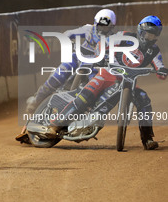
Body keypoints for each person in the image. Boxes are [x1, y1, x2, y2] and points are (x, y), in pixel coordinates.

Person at [52, 15, 168, 150]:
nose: (149, 38)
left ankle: (147, 139)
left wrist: (162, 71)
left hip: (129, 82)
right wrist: (101, 56)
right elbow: (103, 43)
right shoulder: (125, 36)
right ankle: (55, 123)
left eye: (153, 36)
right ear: (140, 31)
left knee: (143, 99)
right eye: (147, 34)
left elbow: (159, 66)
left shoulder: (154, 50)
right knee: (84, 98)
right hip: (107, 74)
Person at [16, 9, 116, 142]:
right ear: (95, 23)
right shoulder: (87, 30)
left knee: (91, 96)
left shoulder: (114, 40)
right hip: (77, 60)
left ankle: (80, 122)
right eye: (101, 25)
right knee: (56, 77)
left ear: (112, 27)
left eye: (106, 27)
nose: (103, 29)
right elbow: (67, 34)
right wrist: (70, 43)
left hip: (94, 69)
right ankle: (36, 100)